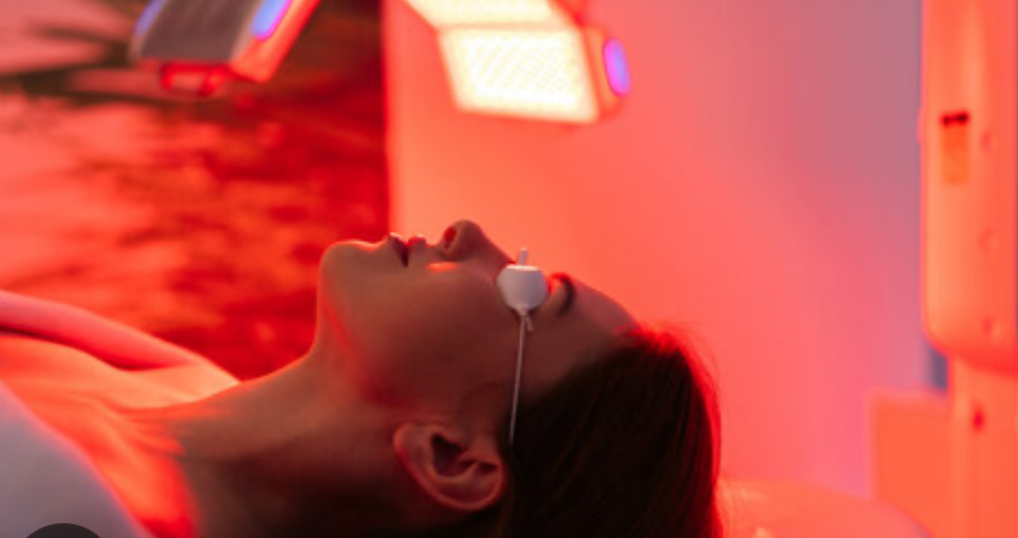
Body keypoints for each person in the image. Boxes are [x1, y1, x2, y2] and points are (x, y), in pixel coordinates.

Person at [0, 218, 721, 538]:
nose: (468, 232)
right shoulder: (183, 381)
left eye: (527, 293)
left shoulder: (76, 516)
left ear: (454, 457)